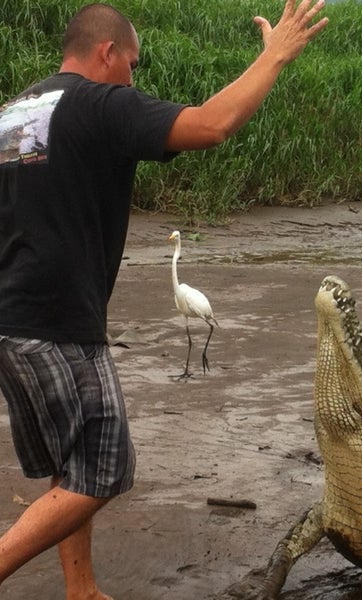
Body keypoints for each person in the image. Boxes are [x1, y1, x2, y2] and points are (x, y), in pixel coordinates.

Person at [0, 1, 328, 597]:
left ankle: (82, 589)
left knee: (70, 462)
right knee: (103, 472)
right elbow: (210, 124)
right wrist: (274, 57)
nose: (134, 79)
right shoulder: (100, 102)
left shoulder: (16, 113)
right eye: (133, 63)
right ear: (107, 54)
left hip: (11, 319)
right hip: (58, 321)